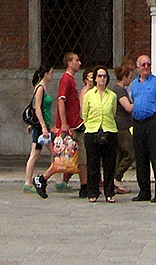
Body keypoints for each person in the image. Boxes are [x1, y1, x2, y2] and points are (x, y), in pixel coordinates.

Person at [124, 52, 156, 202]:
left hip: (152, 122)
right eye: (143, 64)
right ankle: (144, 191)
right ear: (137, 67)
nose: (146, 67)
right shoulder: (134, 85)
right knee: (141, 157)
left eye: (148, 64)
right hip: (138, 123)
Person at [81, 65, 119, 201]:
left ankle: (109, 193)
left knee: (109, 164)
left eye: (104, 76)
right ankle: (93, 192)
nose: (102, 79)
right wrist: (91, 126)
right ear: (95, 79)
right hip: (92, 131)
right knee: (93, 164)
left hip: (109, 130)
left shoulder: (113, 96)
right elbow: (84, 114)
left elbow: (113, 112)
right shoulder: (89, 95)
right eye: (99, 76)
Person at [54, 52, 90, 196]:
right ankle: (42, 178)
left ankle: (85, 185)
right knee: (68, 157)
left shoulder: (71, 80)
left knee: (79, 157)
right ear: (69, 63)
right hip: (71, 126)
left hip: (75, 124)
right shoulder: (66, 79)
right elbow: (61, 100)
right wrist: (64, 123)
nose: (79, 63)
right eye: (76, 60)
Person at [26, 66, 53, 197]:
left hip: (43, 126)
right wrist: (42, 127)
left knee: (50, 153)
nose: (52, 75)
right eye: (51, 72)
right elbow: (37, 108)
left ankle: (31, 181)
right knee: (36, 154)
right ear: (46, 74)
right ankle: (28, 182)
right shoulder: (40, 88)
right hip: (41, 127)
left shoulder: (43, 87)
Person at [111, 60, 134, 191]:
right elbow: (128, 107)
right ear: (124, 77)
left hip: (121, 125)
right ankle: (116, 177)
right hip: (121, 126)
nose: (130, 80)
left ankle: (115, 180)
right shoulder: (119, 90)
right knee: (130, 153)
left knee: (120, 154)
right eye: (130, 77)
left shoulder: (119, 89)